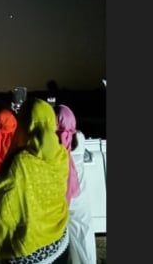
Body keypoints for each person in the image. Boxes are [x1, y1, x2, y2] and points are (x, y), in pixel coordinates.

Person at [0, 98, 70, 264]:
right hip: (59, 240)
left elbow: (7, 209)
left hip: (32, 250)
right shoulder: (61, 154)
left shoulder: (22, 162)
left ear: (23, 125)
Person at [55, 104, 97, 264]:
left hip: (61, 197)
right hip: (79, 197)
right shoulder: (80, 138)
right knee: (84, 235)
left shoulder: (53, 142)